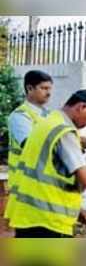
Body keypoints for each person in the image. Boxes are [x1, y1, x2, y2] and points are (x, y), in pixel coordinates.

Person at [9, 89, 86, 237]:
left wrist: (77, 210)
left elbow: (49, 176)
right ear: (82, 107)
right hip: (48, 221)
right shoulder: (64, 132)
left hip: (27, 215)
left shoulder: (48, 121)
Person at [5, 70, 53, 220]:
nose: (49, 93)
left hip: (42, 185)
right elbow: (31, 145)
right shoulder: (20, 116)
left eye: (50, 88)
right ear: (30, 88)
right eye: (44, 88)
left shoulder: (48, 115)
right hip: (24, 186)